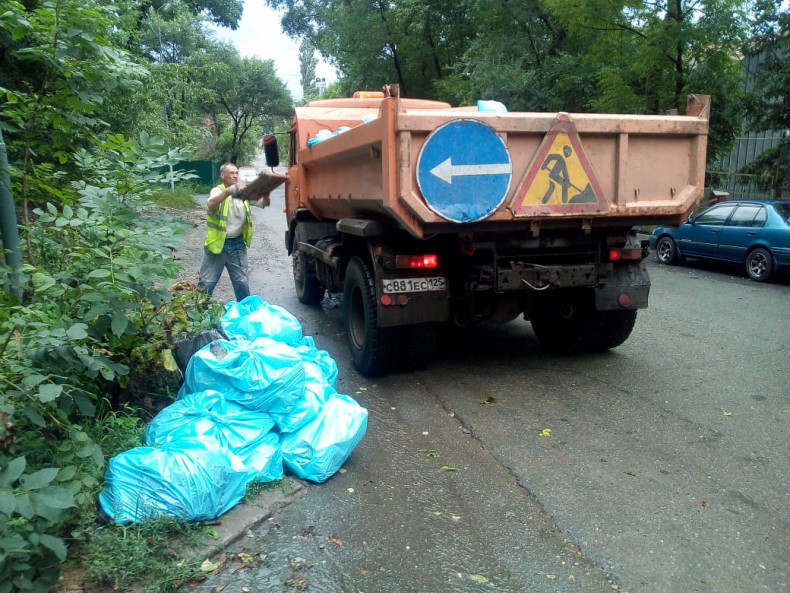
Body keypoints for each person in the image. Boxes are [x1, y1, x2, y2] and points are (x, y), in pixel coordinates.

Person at [197, 162, 253, 301]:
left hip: (237, 244)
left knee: (242, 282)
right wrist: (229, 191)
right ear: (223, 175)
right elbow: (211, 204)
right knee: (206, 283)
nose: (235, 176)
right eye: (231, 173)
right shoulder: (218, 190)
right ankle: (199, 317)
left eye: (236, 173)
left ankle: (244, 315)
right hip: (217, 245)